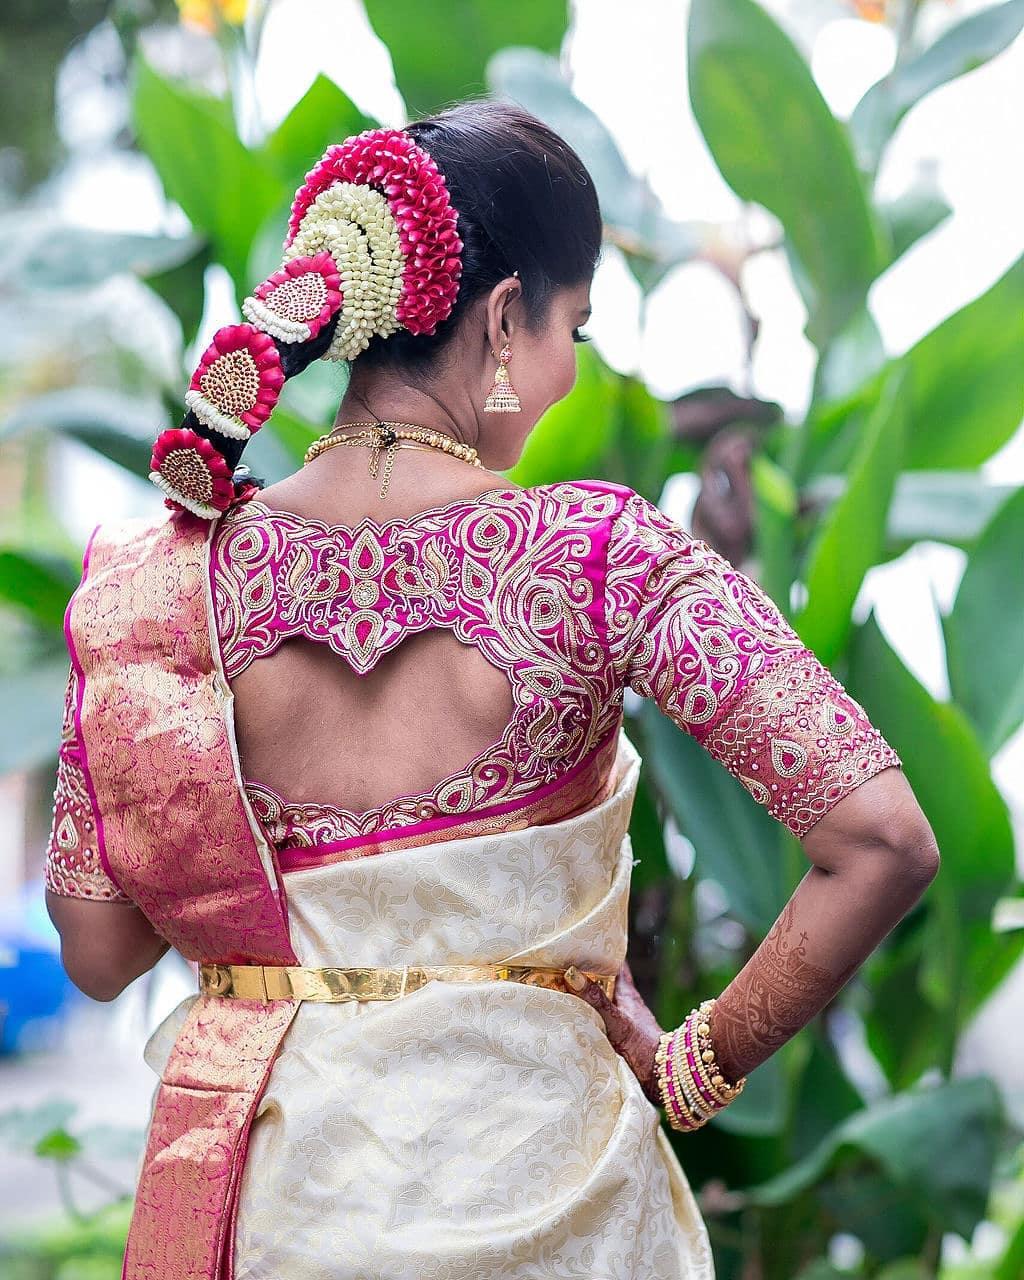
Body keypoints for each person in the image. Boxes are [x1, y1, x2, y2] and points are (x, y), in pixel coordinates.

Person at [42, 100, 939, 1280]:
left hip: (276, 1214)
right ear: (508, 316)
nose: (571, 366)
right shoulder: (598, 556)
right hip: (547, 1204)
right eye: (574, 324)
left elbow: (99, 949)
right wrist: (690, 1064)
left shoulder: (160, 584)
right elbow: (881, 839)